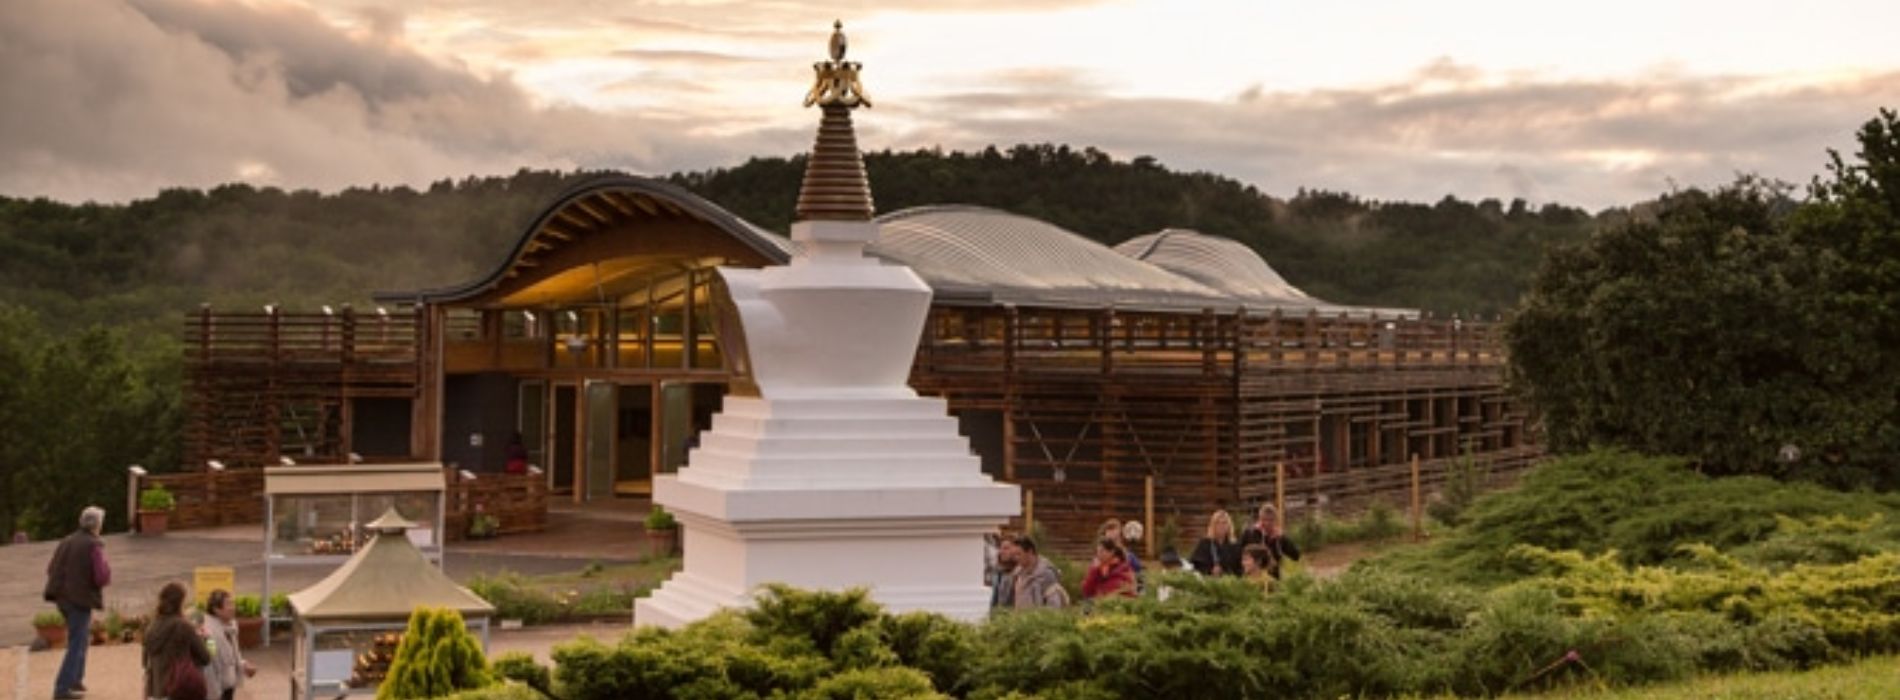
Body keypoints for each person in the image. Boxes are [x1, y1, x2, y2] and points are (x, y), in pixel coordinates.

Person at [43, 506, 110, 700]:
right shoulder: (94, 544)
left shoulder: (67, 541)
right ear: (97, 525)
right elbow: (101, 576)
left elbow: (50, 568)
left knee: (80, 638)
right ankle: (62, 688)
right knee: (77, 642)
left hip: (61, 597)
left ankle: (75, 679)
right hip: (80, 598)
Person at [143, 582, 211, 700]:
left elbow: (145, 663)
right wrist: (206, 639)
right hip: (179, 690)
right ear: (180, 603)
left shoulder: (150, 628)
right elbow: (205, 658)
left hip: (155, 692)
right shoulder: (183, 626)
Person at [201, 589, 256, 700]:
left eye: (233, 603)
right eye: (228, 604)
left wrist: (243, 665)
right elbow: (210, 664)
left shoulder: (230, 626)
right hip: (216, 691)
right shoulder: (209, 633)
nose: (233, 608)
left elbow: (230, 655)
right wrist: (215, 695)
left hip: (228, 685)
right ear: (216, 609)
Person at [1240, 503, 1301, 576]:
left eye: (1271, 520)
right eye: (1264, 519)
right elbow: (1239, 552)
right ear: (1260, 519)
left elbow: (1296, 555)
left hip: (1273, 576)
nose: (1267, 523)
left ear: (1275, 521)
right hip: (1251, 576)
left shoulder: (1279, 537)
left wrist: (1283, 538)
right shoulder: (1249, 533)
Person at [1010, 536, 1068, 609]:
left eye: (1018, 554)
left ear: (1030, 552)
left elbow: (1054, 607)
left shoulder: (1047, 575)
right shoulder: (1018, 574)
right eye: (1014, 555)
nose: (1016, 558)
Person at [1189, 509, 1243, 577]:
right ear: (1213, 525)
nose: (1221, 526)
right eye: (1218, 523)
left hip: (1229, 580)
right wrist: (1210, 570)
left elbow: (1239, 567)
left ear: (1229, 526)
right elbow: (1195, 565)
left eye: (1224, 523)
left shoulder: (1235, 545)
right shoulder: (1205, 543)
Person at [988, 533, 1019, 609]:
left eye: (1006, 548)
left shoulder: (1020, 573)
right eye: (1000, 548)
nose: (1001, 551)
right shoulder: (997, 573)